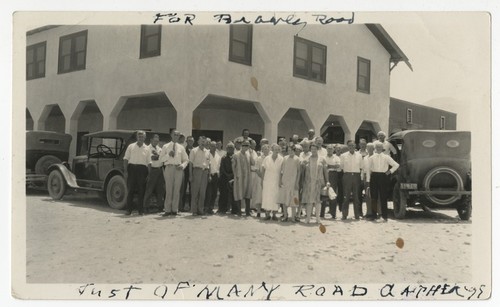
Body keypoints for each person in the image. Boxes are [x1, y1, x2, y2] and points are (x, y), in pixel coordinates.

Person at [367, 141, 400, 221]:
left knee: (383, 197)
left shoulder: (386, 157)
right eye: (377, 147)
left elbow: (396, 165)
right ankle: (374, 215)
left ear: (382, 149)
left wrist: (389, 172)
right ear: (375, 148)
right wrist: (368, 180)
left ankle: (384, 216)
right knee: (374, 197)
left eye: (380, 147)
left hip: (383, 177)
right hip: (374, 176)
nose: (378, 149)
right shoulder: (371, 158)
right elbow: (368, 169)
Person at [160, 130, 189, 216]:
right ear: (171, 135)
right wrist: (168, 155)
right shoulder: (165, 146)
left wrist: (183, 166)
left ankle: (174, 209)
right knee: (169, 189)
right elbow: (161, 159)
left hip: (178, 169)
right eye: (175, 134)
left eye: (177, 135)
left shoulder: (181, 147)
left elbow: (186, 160)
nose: (176, 136)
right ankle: (167, 210)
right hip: (169, 168)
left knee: (177, 190)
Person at [123, 130, 151, 216]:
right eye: (139, 136)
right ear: (137, 137)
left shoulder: (147, 148)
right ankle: (128, 210)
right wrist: (125, 171)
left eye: (142, 137)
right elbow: (126, 159)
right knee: (130, 190)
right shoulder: (131, 146)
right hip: (132, 169)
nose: (141, 138)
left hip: (142, 170)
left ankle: (140, 210)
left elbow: (149, 162)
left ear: (145, 138)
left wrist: (149, 174)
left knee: (141, 190)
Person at [301, 143, 329, 224]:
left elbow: (325, 171)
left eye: (315, 149)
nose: (313, 150)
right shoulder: (306, 159)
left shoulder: (322, 159)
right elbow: (303, 172)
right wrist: (302, 182)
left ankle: (317, 218)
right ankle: (308, 218)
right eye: (312, 149)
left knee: (318, 201)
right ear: (310, 150)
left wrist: (327, 181)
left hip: (319, 182)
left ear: (317, 150)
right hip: (308, 182)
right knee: (309, 201)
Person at [340, 140, 363, 220]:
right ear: (347, 146)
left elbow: (361, 166)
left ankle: (357, 215)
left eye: (353, 145)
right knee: (346, 196)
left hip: (356, 176)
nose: (351, 147)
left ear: (355, 146)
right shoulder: (343, 156)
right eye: (349, 145)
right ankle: (344, 214)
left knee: (356, 196)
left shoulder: (359, 155)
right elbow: (342, 167)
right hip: (347, 176)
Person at [143, 134, 165, 213]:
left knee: (160, 189)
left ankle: (160, 206)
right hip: (151, 169)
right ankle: (145, 207)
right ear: (151, 140)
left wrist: (159, 156)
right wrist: (159, 157)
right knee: (149, 189)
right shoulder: (147, 148)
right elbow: (152, 158)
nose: (156, 142)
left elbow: (162, 158)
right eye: (155, 141)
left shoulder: (159, 148)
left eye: (157, 141)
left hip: (159, 169)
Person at [261, 144, 284, 221]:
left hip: (277, 179)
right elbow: (263, 169)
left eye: (278, 149)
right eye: (275, 149)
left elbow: (282, 171)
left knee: (275, 196)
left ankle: (274, 214)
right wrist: (262, 179)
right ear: (272, 150)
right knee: (267, 196)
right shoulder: (267, 158)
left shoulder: (281, 159)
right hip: (267, 179)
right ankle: (267, 214)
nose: (276, 151)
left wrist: (281, 180)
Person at [279, 144, 301, 222]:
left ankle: (293, 217)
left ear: (294, 151)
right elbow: (282, 171)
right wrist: (280, 180)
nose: (290, 152)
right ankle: (285, 216)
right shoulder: (285, 158)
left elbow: (299, 172)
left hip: (293, 181)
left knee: (294, 200)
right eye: (289, 151)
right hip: (285, 181)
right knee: (285, 199)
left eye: (292, 150)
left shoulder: (297, 159)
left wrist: (297, 182)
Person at [189, 136, 211, 216]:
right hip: (196, 171)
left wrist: (209, 175)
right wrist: (190, 175)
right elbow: (190, 163)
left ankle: (200, 210)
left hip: (205, 172)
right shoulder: (194, 151)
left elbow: (209, 164)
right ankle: (194, 210)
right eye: (201, 141)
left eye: (204, 141)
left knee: (202, 192)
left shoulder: (207, 152)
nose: (203, 142)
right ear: (198, 142)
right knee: (195, 191)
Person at [232, 139, 253, 216]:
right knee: (238, 193)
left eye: (247, 145)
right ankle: (239, 211)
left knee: (247, 194)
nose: (245, 147)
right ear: (241, 146)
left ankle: (247, 211)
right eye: (244, 145)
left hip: (247, 177)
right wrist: (235, 175)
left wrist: (251, 153)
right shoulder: (236, 155)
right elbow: (233, 166)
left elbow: (253, 163)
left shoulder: (248, 155)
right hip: (239, 176)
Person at [321, 144, 341, 219]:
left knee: (333, 193)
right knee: (323, 193)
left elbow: (338, 166)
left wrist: (328, 166)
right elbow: (323, 166)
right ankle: (321, 213)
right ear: (326, 149)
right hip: (324, 174)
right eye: (328, 149)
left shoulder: (336, 157)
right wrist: (331, 166)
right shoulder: (323, 157)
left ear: (334, 150)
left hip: (333, 175)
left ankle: (333, 214)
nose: (330, 150)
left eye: (331, 149)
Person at [251, 144, 270, 217]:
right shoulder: (259, 158)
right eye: (264, 149)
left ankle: (266, 211)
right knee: (259, 194)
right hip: (260, 178)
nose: (266, 150)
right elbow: (256, 169)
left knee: (266, 195)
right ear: (262, 150)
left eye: (267, 149)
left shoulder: (270, 158)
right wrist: (262, 176)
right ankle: (258, 211)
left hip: (268, 179)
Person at [217, 142, 235, 214]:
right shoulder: (223, 158)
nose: (230, 149)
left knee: (233, 195)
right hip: (224, 178)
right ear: (227, 149)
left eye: (232, 148)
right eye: (229, 148)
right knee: (223, 194)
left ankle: (234, 209)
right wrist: (227, 175)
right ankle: (222, 208)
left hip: (233, 178)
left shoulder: (236, 157)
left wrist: (232, 175)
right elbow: (222, 168)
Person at [204, 141, 221, 215]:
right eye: (212, 146)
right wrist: (209, 175)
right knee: (208, 193)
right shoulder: (206, 154)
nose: (213, 147)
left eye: (214, 146)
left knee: (214, 193)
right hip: (209, 175)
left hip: (216, 176)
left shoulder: (218, 155)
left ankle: (211, 208)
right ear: (209, 146)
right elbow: (207, 165)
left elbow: (218, 166)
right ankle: (206, 208)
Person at [179, 135, 195, 212]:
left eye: (191, 141)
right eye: (189, 141)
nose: (190, 142)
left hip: (193, 172)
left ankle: (191, 206)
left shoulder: (196, 150)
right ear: (186, 142)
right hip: (185, 171)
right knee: (183, 189)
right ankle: (181, 207)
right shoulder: (183, 150)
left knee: (192, 189)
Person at [361, 142, 375, 217]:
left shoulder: (376, 157)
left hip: (374, 176)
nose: (369, 149)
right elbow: (363, 168)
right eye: (368, 148)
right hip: (366, 177)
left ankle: (376, 212)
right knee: (367, 195)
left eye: (371, 148)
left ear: (373, 149)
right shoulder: (365, 158)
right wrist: (362, 176)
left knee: (375, 195)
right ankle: (369, 212)